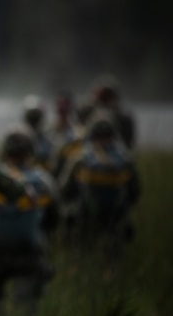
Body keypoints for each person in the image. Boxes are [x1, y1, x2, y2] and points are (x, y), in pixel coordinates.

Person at [0, 126, 59, 316]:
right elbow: (54, 217)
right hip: (28, 254)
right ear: (31, 152)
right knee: (26, 306)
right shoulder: (43, 181)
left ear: (5, 151)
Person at [58, 112, 141, 261]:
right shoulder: (124, 158)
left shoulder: (81, 157)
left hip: (86, 215)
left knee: (84, 253)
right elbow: (135, 191)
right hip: (116, 217)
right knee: (114, 257)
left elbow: (64, 187)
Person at [77, 73, 136, 149]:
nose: (105, 100)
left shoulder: (122, 115)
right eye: (103, 96)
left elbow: (128, 140)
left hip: (114, 146)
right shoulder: (88, 109)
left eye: (108, 95)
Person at [21, 94, 53, 169]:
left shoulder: (47, 140)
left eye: (35, 116)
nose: (33, 119)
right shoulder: (20, 139)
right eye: (31, 117)